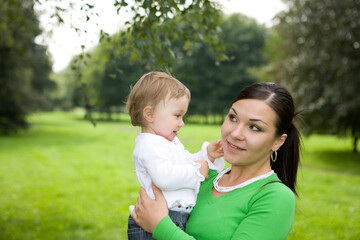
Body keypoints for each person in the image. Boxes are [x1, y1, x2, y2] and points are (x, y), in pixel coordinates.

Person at [131, 82, 302, 240]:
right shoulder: (203, 177)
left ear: (278, 141)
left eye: (255, 128)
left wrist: (161, 227)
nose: (235, 133)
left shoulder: (275, 197)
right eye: (233, 118)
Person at [126, 71, 225, 239]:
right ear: (149, 115)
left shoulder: (168, 142)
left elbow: (184, 163)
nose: (182, 122)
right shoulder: (149, 145)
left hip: (171, 217)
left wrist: (206, 155)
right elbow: (164, 177)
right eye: (177, 116)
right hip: (154, 222)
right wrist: (196, 172)